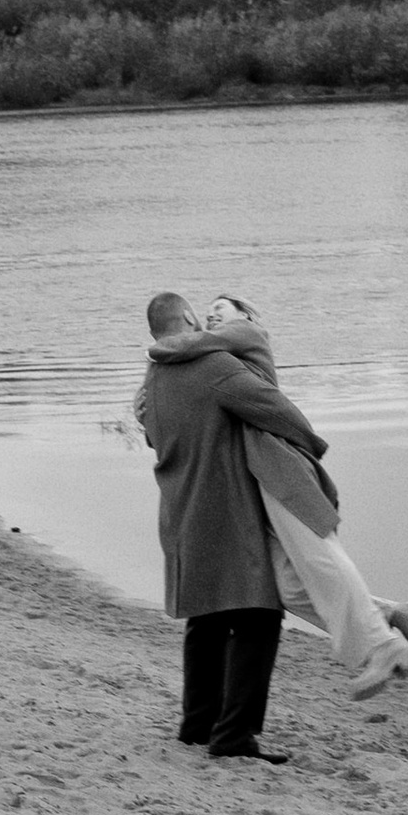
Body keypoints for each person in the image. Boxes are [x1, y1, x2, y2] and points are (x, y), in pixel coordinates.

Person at [198, 294, 408, 700]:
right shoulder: (221, 357)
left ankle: (385, 646)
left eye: (219, 309)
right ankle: (397, 615)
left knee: (319, 557)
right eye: (206, 315)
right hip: (256, 483)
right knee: (290, 590)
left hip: (278, 469)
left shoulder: (248, 336)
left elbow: (187, 346)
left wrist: (167, 340)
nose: (211, 316)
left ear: (245, 314)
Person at [134, 288, 333, 762]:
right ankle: (234, 736)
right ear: (187, 318)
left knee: (206, 620)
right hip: (225, 512)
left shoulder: (152, 379)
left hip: (179, 513)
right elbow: (276, 409)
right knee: (257, 617)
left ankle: (197, 725)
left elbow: (150, 433)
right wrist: (312, 449)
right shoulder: (215, 369)